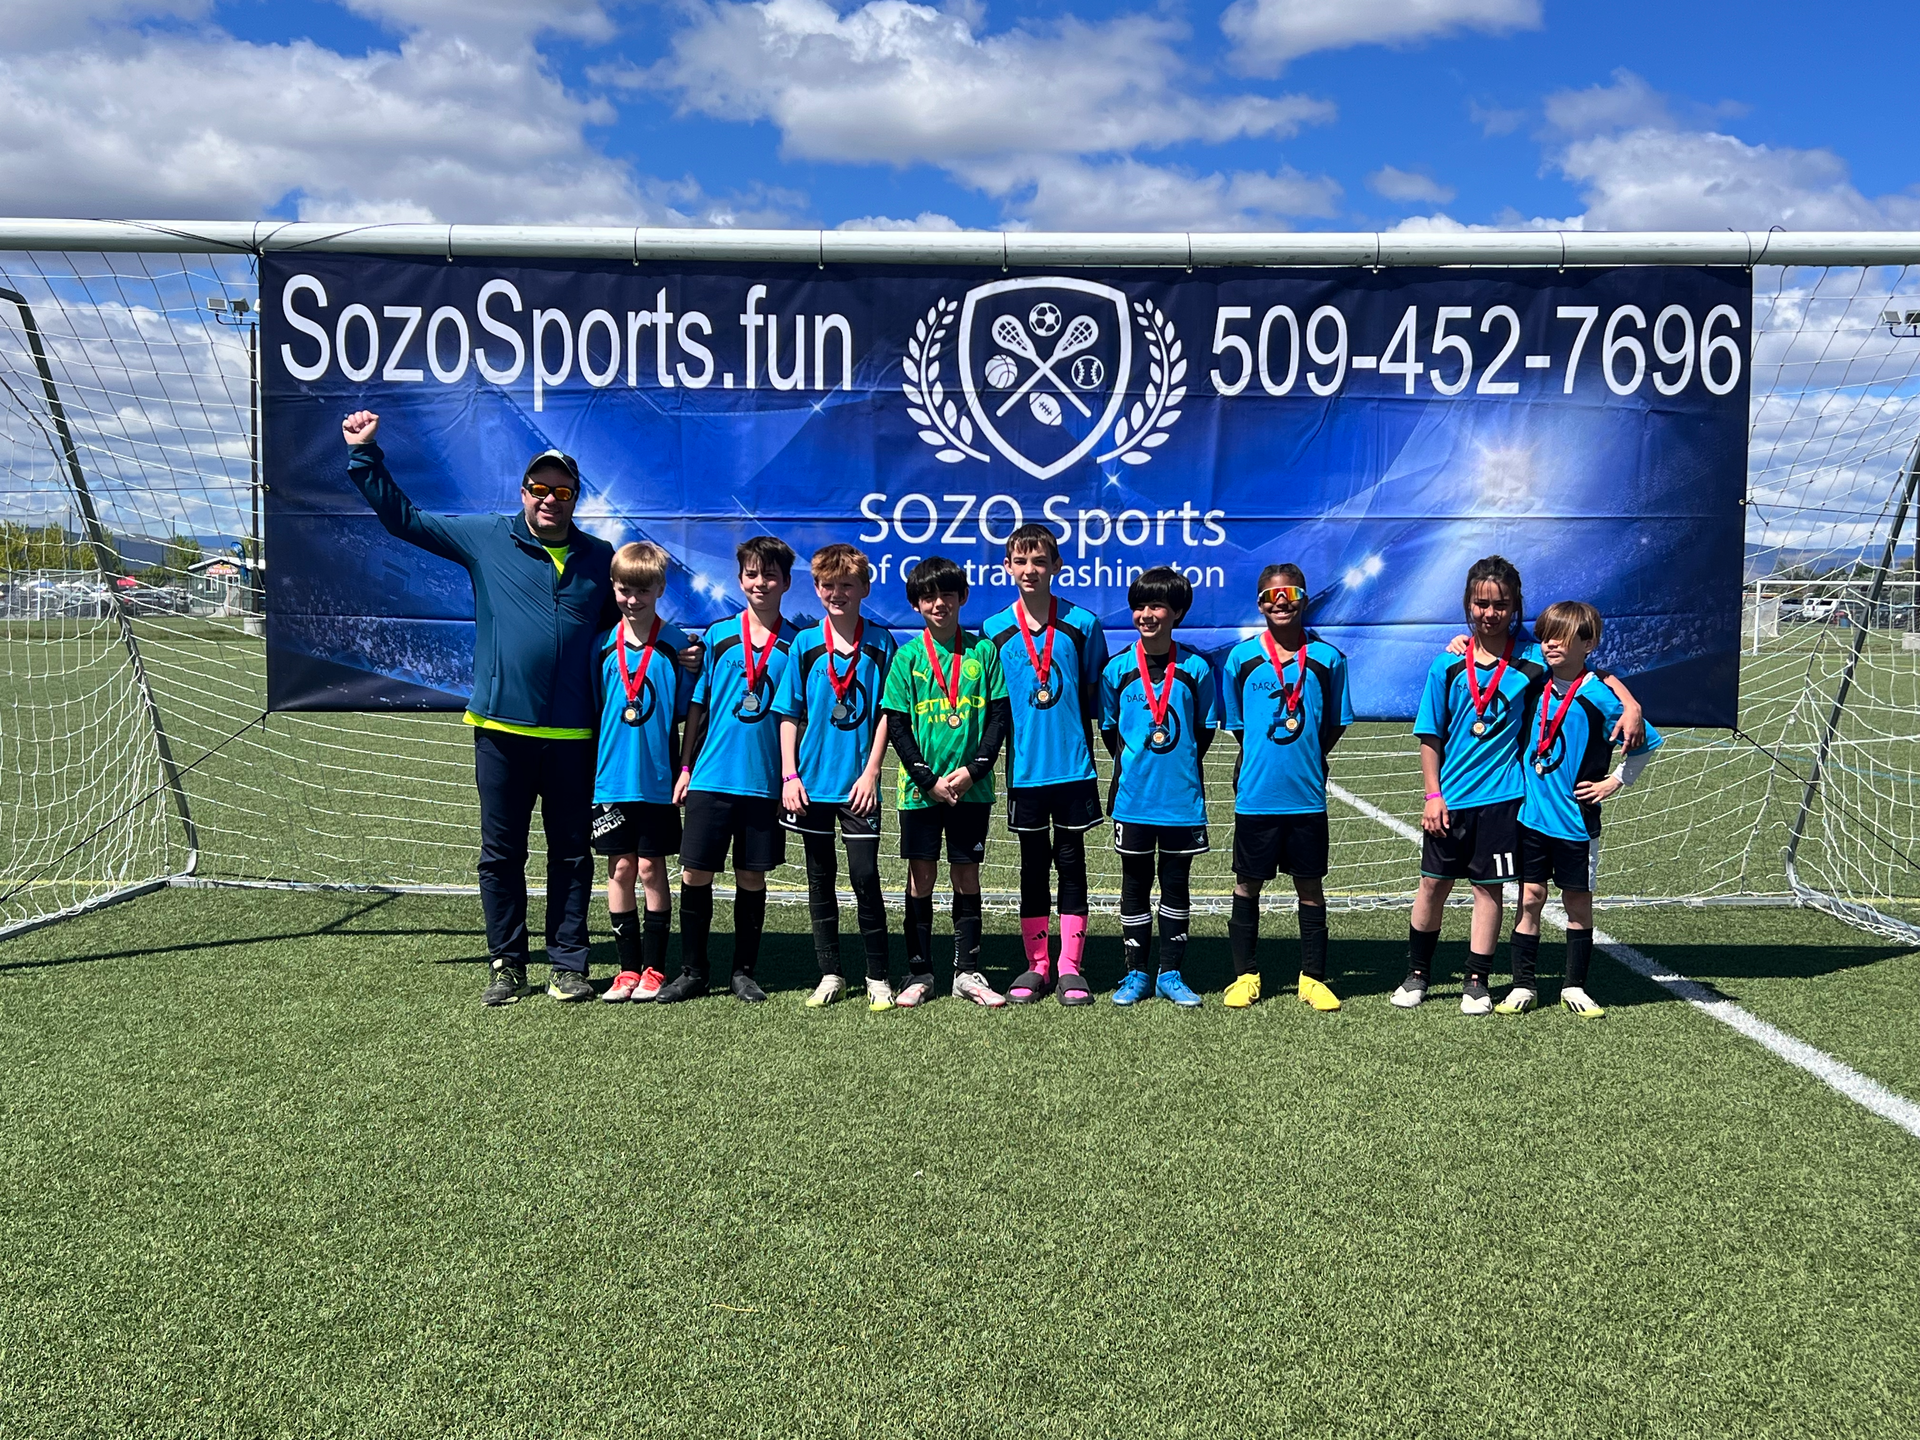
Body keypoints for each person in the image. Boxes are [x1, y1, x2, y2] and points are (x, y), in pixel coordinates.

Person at [339, 410, 699, 1008]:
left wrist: (677, 648)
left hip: (574, 738)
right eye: (540, 489)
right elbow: (405, 520)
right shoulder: (486, 537)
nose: (550, 499)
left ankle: (568, 963)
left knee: (573, 853)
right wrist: (364, 454)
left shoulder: (599, 557)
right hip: (501, 731)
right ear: (523, 492)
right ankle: (507, 961)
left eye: (562, 490)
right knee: (501, 854)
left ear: (575, 497)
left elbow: (636, 620)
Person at [1401, 556, 1642, 1016]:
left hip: (1506, 801)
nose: (1490, 613)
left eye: (1501, 605)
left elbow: (1588, 670)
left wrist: (1628, 702)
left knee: (1488, 890)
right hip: (1449, 798)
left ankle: (1477, 980)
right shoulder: (1447, 664)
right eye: (1481, 604)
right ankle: (1417, 974)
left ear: (1515, 608)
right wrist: (1432, 794)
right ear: (1468, 604)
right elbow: (1430, 735)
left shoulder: (1533, 659)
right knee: (1431, 886)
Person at [1503, 601, 1663, 1017]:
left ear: (1589, 642)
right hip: (1531, 818)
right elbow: (1495, 648)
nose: (1550, 643)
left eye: (1563, 636)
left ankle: (1574, 986)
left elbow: (1647, 743)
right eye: (1546, 635)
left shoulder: (1598, 694)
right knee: (1530, 899)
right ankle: (1523, 984)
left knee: (1577, 903)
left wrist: (1616, 780)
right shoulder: (1534, 675)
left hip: (1576, 823)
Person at [981, 524, 1110, 1006]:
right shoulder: (993, 631)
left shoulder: (1083, 624)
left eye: (1040, 561)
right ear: (1007, 568)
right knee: (1032, 868)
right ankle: (1036, 965)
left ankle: (1070, 967)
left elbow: (1096, 693)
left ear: (1057, 566)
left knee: (1072, 863)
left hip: (1073, 769)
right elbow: (993, 705)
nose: (1030, 570)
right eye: (1021, 561)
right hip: (1025, 773)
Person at [665, 536, 796, 1004]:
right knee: (694, 873)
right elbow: (698, 707)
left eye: (770, 575)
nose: (760, 583)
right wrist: (685, 767)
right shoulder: (719, 637)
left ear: (785, 581)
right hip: (710, 777)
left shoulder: (796, 645)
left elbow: (794, 715)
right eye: (752, 574)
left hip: (762, 785)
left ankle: (743, 971)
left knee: (751, 877)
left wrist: (790, 775)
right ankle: (693, 970)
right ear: (740, 579)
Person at [1219, 564, 1351, 1011]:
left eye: (1290, 592)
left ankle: (1312, 977)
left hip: (1307, 798)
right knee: (1246, 886)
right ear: (1259, 603)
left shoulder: (1328, 659)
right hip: (1256, 796)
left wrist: (1308, 756)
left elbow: (1333, 725)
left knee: (1310, 888)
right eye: (1271, 595)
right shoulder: (1241, 660)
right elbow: (1239, 727)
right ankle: (1244, 975)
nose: (1281, 601)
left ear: (1305, 598)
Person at [881, 556, 1011, 1008]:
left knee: (966, 875)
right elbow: (897, 725)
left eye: (947, 595)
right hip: (920, 791)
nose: (939, 603)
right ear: (917, 604)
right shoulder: (907, 657)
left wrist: (974, 769)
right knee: (921, 877)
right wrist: (928, 779)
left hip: (971, 789)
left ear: (962, 598)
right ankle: (919, 973)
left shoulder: (983, 652)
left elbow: (998, 718)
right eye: (929, 597)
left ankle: (966, 972)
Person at [774, 543, 898, 1010]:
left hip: (858, 787)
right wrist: (790, 775)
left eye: (847, 584)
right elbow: (789, 714)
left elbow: (890, 712)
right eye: (828, 585)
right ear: (817, 588)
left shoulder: (882, 643)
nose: (837, 592)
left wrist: (872, 772)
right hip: (811, 785)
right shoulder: (805, 645)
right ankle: (830, 974)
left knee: (866, 878)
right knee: (819, 879)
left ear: (865, 588)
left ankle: (877, 976)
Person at [1099, 566, 1218, 1009]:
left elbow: (1203, 731)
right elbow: (1112, 733)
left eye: (1157, 606)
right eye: (1140, 606)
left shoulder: (1196, 669)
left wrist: (1176, 763)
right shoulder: (1117, 670)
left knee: (1176, 884)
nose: (1146, 615)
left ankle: (1171, 971)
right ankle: (1136, 973)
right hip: (1133, 800)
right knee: (1134, 884)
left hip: (1181, 801)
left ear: (1177, 612)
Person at [592, 542, 693, 1004]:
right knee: (621, 869)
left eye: (643, 591)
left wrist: (685, 767)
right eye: (624, 590)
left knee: (652, 869)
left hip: (657, 779)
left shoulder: (676, 645)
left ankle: (654, 968)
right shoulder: (601, 647)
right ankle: (626, 969)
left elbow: (688, 709)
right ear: (614, 588)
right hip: (610, 778)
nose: (633, 599)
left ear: (660, 589)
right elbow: (596, 710)